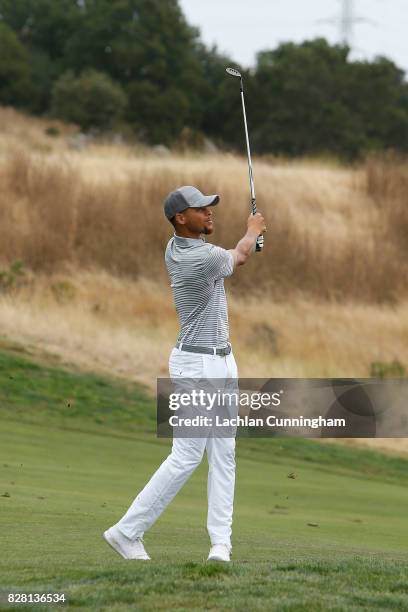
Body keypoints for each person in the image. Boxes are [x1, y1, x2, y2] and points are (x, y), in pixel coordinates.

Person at [103, 186, 266, 562]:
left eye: (210, 207)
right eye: (201, 209)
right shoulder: (198, 258)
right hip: (197, 365)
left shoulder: (178, 247)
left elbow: (232, 255)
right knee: (187, 455)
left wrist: (247, 243)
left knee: (225, 454)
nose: (210, 213)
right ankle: (127, 531)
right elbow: (236, 257)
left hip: (223, 361)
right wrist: (253, 231)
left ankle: (220, 546)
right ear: (181, 218)